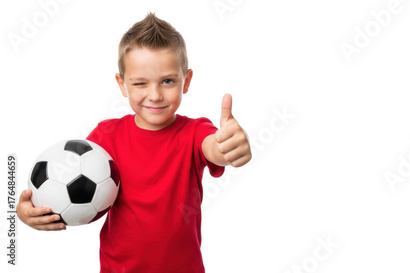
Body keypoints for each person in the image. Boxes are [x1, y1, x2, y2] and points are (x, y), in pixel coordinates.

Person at [17, 12, 252, 272]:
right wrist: (31, 210)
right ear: (122, 84)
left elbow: (213, 147)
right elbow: (69, 177)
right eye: (140, 83)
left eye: (168, 81)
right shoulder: (106, 138)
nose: (155, 95)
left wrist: (227, 147)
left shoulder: (194, 131)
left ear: (186, 81)